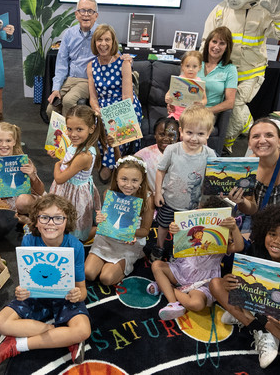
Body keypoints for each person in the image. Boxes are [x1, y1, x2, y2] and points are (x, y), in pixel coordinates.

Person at [209, 205, 280, 368]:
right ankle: (262, 329)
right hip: (254, 299)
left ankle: (257, 324)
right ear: (264, 232)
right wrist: (230, 281)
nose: (276, 241)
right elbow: (241, 280)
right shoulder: (257, 249)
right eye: (272, 234)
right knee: (215, 283)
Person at [0, 194, 91, 369]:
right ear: (36, 221)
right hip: (35, 295)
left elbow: (82, 289)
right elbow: (26, 280)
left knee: (83, 330)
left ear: (67, 222)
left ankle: (17, 345)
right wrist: (21, 290)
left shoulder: (76, 246)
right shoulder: (29, 240)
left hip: (65, 297)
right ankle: (64, 337)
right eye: (44, 217)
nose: (51, 223)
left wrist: (77, 294)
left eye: (58, 218)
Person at [147, 201, 244, 321]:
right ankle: (173, 303)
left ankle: (165, 288)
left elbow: (239, 247)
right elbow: (179, 238)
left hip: (203, 281)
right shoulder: (193, 233)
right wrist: (175, 228)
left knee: (197, 304)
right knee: (157, 266)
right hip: (182, 270)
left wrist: (234, 228)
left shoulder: (222, 242)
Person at [152, 105, 217, 261]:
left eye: (200, 134)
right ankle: (160, 247)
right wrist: (158, 192)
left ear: (208, 134)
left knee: (186, 230)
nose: (194, 139)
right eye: (189, 133)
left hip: (192, 205)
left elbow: (211, 180)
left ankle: (179, 251)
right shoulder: (172, 150)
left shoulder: (210, 155)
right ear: (181, 131)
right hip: (169, 199)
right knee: (163, 225)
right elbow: (161, 170)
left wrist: (204, 202)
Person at [85, 156, 154, 285]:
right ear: (116, 178)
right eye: (124, 179)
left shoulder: (148, 199)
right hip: (106, 240)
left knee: (106, 279)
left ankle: (130, 262)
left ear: (142, 180)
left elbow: (145, 231)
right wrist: (100, 219)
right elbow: (106, 222)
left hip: (128, 243)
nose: (128, 185)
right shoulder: (109, 194)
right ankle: (106, 262)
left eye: (134, 180)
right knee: (88, 273)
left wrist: (129, 233)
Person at [86, 24, 143, 182]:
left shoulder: (123, 63)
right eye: (99, 40)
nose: (103, 44)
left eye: (107, 40)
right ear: (94, 43)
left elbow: (127, 96)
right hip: (103, 106)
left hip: (125, 104)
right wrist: (98, 111)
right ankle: (112, 161)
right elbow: (93, 98)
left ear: (113, 42)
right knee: (99, 120)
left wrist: (117, 113)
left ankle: (110, 165)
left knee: (114, 124)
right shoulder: (91, 66)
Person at [49, 105, 106, 242]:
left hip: (74, 194)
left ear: (91, 129)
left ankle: (98, 231)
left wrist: (57, 164)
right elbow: (69, 160)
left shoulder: (84, 156)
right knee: (65, 223)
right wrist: (60, 158)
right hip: (69, 189)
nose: (73, 134)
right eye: (69, 129)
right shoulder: (77, 145)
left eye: (79, 129)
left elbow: (60, 178)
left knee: (76, 229)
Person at [47, 0, 99, 117]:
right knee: (51, 110)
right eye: (82, 10)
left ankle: (70, 134)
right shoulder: (69, 34)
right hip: (70, 79)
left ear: (96, 15)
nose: (86, 14)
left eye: (90, 11)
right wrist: (56, 89)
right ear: (76, 14)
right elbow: (61, 64)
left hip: (88, 80)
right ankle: (59, 135)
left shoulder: (101, 33)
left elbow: (114, 54)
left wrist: (126, 59)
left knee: (68, 100)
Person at [0, 122, 45, 220]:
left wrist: (32, 175)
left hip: (28, 199)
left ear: (14, 142)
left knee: (22, 201)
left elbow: (41, 191)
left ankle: (26, 219)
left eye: (8, 140)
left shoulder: (24, 161)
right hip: (9, 199)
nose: (4, 145)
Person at [197, 26, 237, 125]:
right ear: (208, 43)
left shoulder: (230, 69)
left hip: (207, 115)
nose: (217, 47)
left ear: (227, 47)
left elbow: (230, 102)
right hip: (187, 110)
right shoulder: (196, 61)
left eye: (222, 43)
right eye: (214, 41)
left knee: (192, 127)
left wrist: (206, 111)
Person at [166, 50, 207, 121]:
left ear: (199, 67)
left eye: (194, 66)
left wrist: (201, 103)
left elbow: (205, 99)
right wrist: (167, 99)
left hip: (192, 116)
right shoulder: (179, 79)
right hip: (176, 114)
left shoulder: (199, 82)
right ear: (182, 67)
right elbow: (168, 94)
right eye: (187, 66)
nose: (191, 69)